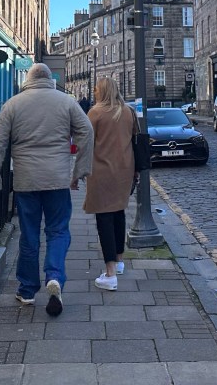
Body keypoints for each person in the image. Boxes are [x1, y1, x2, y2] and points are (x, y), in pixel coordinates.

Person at [0, 63, 93, 316]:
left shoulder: (13, 104)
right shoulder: (66, 102)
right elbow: (87, 131)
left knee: (29, 235)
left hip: (26, 180)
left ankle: (27, 290)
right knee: (58, 231)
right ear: (50, 79)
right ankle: (54, 276)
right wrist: (79, 171)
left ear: (28, 80)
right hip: (57, 180)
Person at [81, 77, 137, 291]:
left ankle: (110, 273)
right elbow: (134, 139)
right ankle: (119, 261)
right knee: (118, 213)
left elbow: (86, 144)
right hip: (125, 171)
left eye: (96, 89)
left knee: (104, 218)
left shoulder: (95, 113)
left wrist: (77, 173)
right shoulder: (128, 112)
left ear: (102, 91)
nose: (94, 92)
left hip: (102, 172)